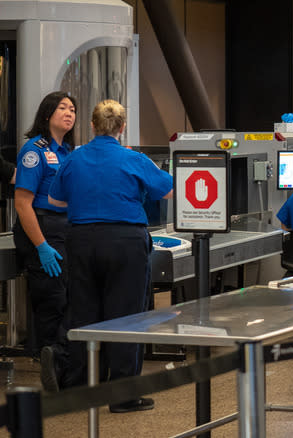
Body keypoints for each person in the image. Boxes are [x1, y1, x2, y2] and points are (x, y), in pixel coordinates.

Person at [47, 99, 173, 414]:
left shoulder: (74, 160)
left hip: (82, 241)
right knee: (127, 316)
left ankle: (80, 389)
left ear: (91, 125)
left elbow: (54, 199)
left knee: (83, 313)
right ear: (121, 127)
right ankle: (123, 395)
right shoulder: (134, 158)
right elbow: (168, 190)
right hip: (125, 242)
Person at [13, 91, 75, 372]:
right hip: (40, 227)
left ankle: (59, 357)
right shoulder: (33, 151)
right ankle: (51, 360)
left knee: (67, 296)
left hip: (63, 228)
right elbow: (23, 203)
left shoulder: (68, 152)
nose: (69, 113)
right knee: (52, 298)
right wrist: (41, 246)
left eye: (73, 109)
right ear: (47, 114)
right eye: (63, 107)